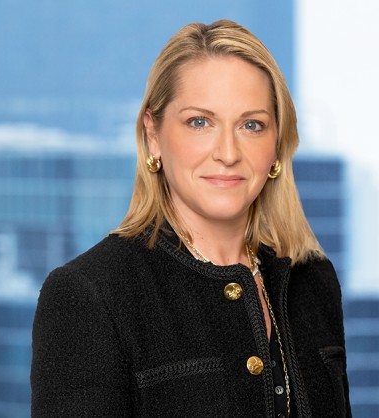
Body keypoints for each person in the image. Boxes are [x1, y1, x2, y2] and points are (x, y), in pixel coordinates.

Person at [31, 19, 352, 417]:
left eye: (251, 125)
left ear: (277, 144)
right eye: (200, 122)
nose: (228, 153)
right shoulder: (89, 295)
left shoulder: (313, 280)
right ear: (153, 135)